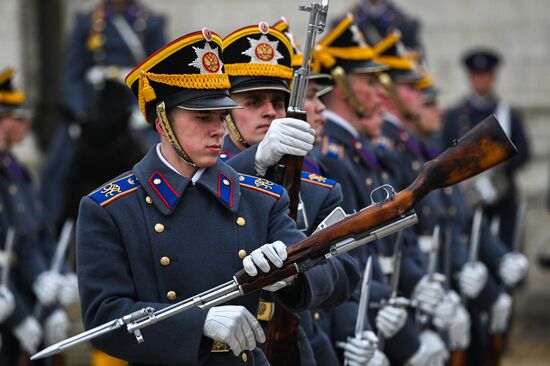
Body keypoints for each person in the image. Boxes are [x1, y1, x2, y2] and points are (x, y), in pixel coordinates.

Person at [77, 28, 355, 365]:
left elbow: (331, 273)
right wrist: (198, 323)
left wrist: (292, 273)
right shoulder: (110, 207)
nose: (218, 129)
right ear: (163, 122)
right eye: (202, 117)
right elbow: (104, 318)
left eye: (222, 116)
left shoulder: (261, 198)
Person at [218, 20, 362, 366]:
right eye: (253, 101)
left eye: (279, 102)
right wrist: (253, 162)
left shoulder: (317, 190)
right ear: (223, 114)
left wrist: (297, 277)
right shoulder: (196, 179)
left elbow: (345, 274)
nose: (270, 111)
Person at [40, 0, 166, 228]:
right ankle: (48, 228)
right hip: (93, 107)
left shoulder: (151, 23)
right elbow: (71, 75)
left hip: (134, 105)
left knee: (160, 154)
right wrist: (80, 115)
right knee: (56, 167)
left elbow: (162, 73)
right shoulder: (86, 22)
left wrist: (144, 111)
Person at [442, 48, 531, 250]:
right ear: (470, 78)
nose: (481, 81)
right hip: (469, 197)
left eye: (486, 76)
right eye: (477, 76)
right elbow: (444, 149)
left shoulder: (509, 113)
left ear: (493, 78)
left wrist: (503, 163)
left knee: (507, 249)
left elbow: (524, 151)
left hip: (502, 195)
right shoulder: (455, 115)